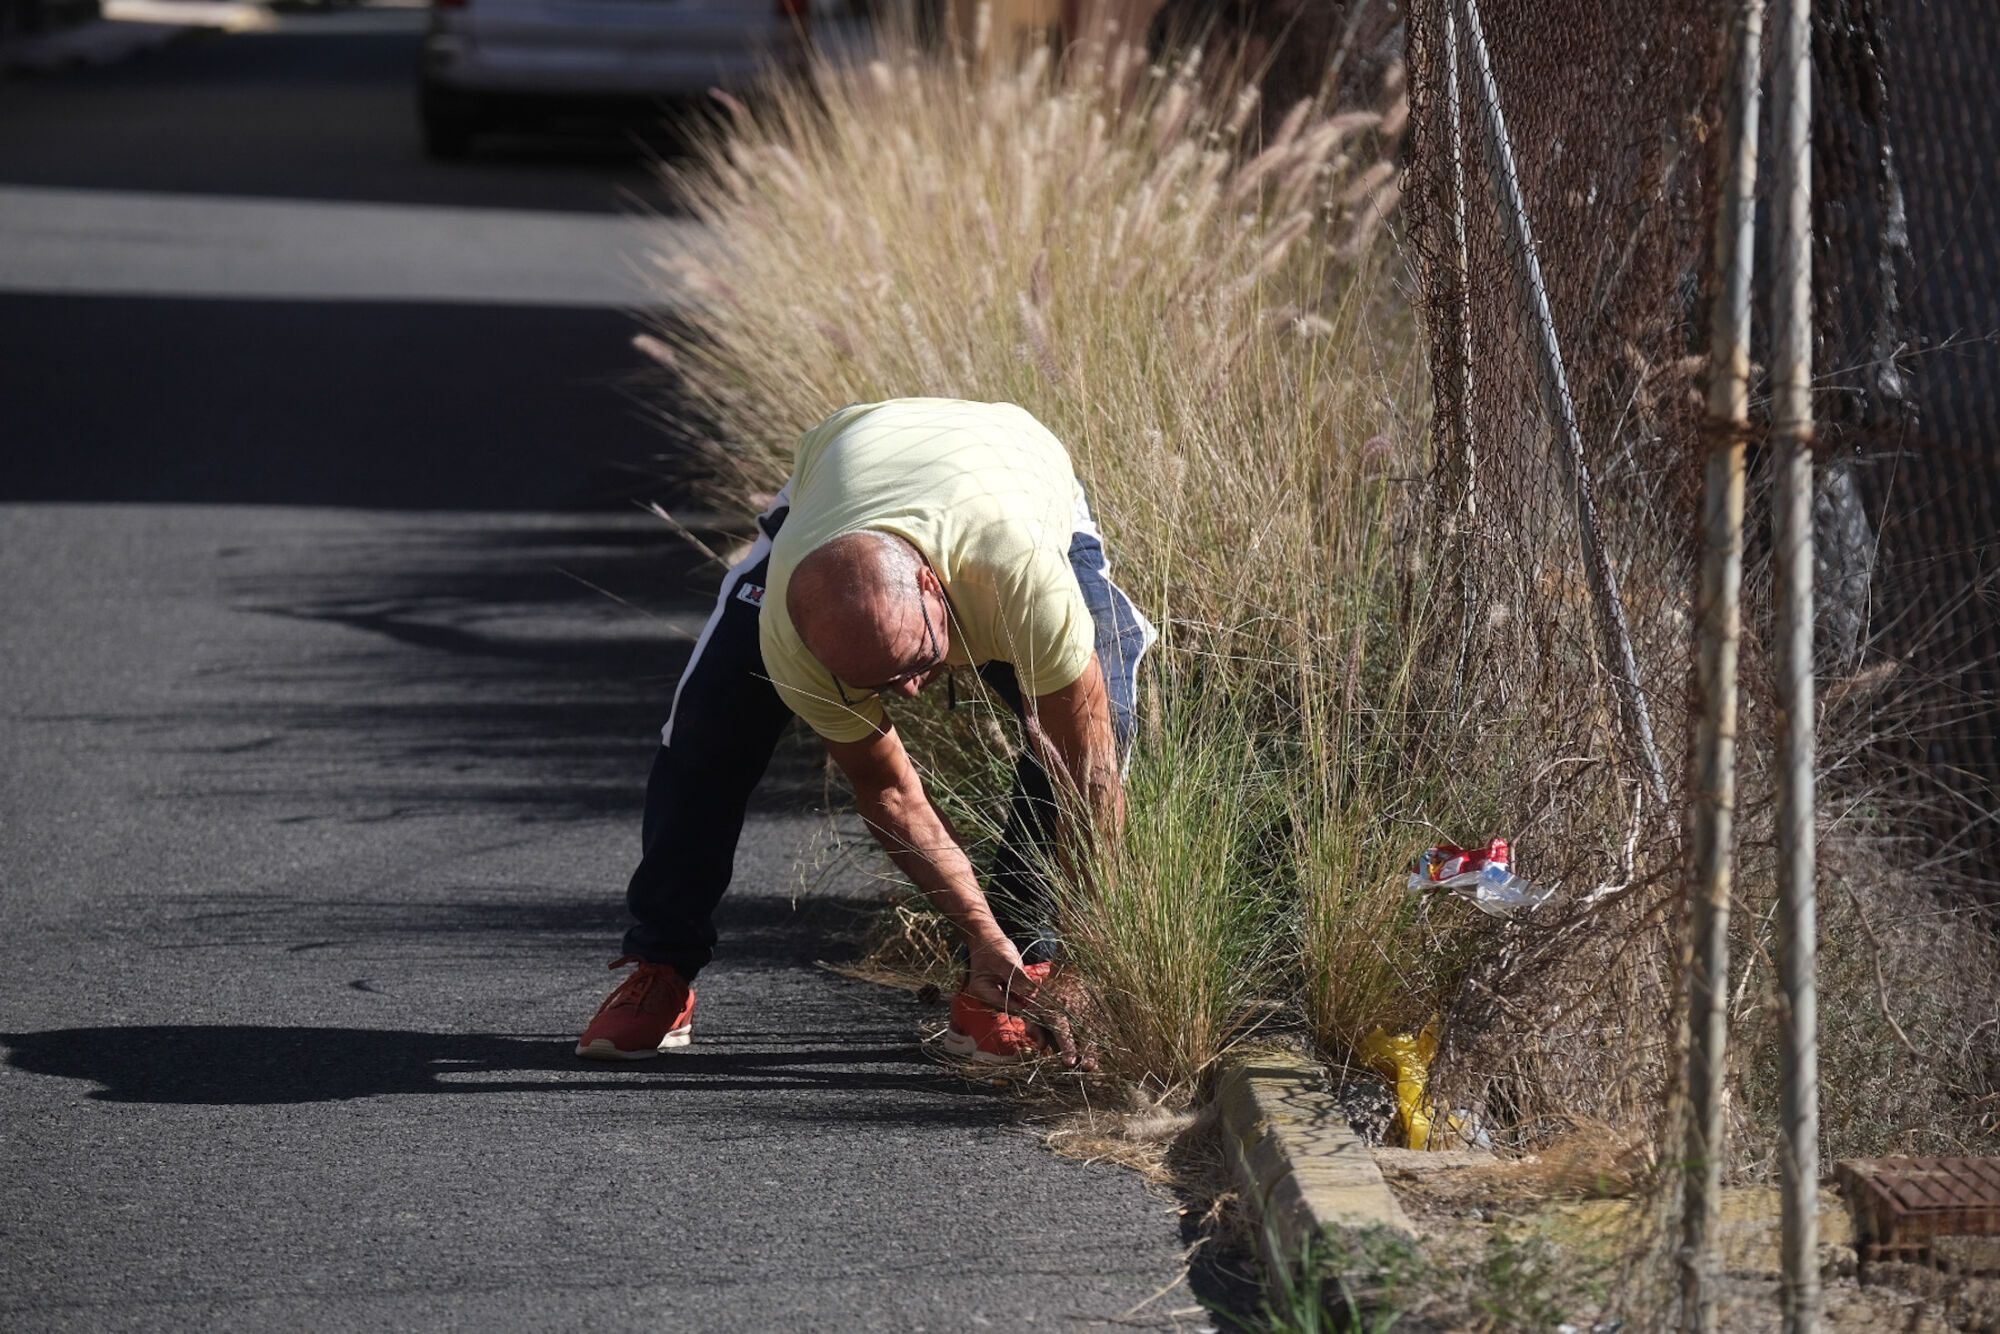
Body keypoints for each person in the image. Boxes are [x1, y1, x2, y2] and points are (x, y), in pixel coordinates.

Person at [575, 398, 1155, 1066]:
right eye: (877, 683)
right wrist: (978, 932)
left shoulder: (1023, 581)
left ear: (933, 589)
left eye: (915, 664)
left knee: (1101, 727)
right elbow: (889, 792)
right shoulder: (790, 633)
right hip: (838, 481)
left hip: (1012, 470)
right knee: (709, 724)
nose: (908, 692)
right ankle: (662, 965)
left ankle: (1024, 975)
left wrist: (1089, 958)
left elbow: (1090, 776)